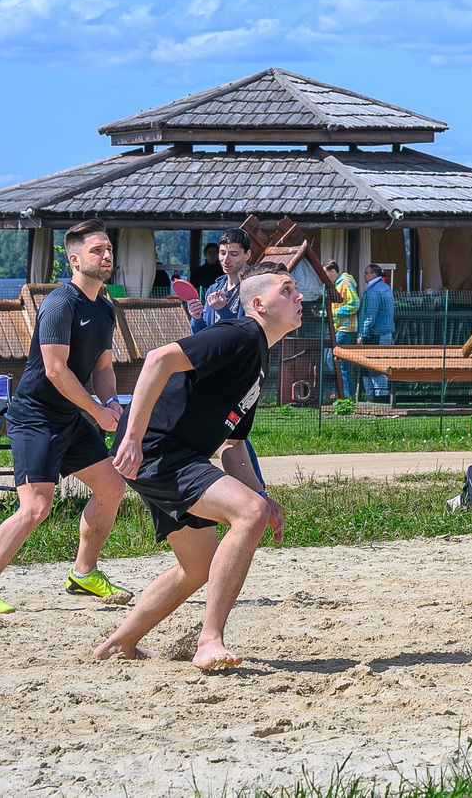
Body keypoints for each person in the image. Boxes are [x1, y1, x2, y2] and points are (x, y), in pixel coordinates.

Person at [96, 270, 297, 668]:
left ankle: (120, 643)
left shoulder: (258, 356)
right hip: (157, 450)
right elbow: (158, 359)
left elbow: (233, 446)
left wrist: (263, 496)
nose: (299, 296)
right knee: (248, 514)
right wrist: (133, 437)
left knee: (198, 566)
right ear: (258, 305)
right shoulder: (240, 333)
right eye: (287, 290)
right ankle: (210, 640)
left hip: (177, 455)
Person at [0, 221, 133, 611]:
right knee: (36, 508)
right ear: (74, 259)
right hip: (35, 417)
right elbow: (56, 370)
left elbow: (103, 367)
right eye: (97, 250)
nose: (106, 256)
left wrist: (111, 402)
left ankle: (83, 573)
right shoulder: (60, 304)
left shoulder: (105, 307)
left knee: (112, 488)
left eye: (108, 249)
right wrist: (96, 411)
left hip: (70, 416)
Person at [184, 230, 252, 331]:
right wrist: (197, 318)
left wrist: (223, 310)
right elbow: (202, 334)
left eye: (234, 254)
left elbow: (249, 334)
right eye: (223, 253)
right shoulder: (213, 289)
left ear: (247, 255)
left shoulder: (253, 290)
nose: (226, 260)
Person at [355, 261, 396, 402]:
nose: (364, 276)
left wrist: (362, 333)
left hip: (375, 333)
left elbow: (370, 315)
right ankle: (378, 396)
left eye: (366, 273)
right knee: (381, 365)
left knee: (373, 366)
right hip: (385, 332)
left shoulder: (374, 290)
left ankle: (376, 397)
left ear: (373, 275)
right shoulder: (385, 288)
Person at [323, 260, 360, 403]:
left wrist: (333, 313)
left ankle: (345, 396)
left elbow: (354, 304)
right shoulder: (337, 284)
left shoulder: (345, 282)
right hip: (339, 328)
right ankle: (340, 393)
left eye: (326, 273)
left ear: (333, 271)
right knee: (336, 362)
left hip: (346, 328)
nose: (324, 277)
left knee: (336, 362)